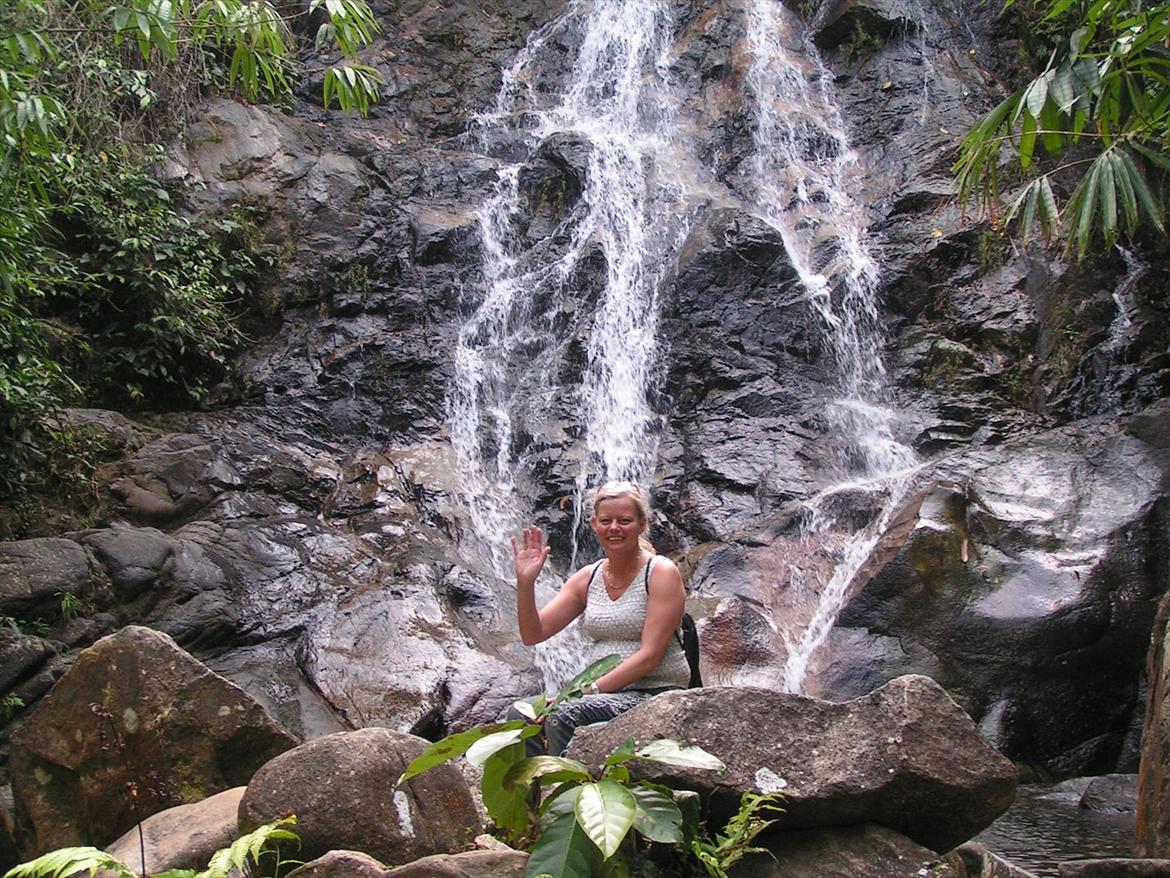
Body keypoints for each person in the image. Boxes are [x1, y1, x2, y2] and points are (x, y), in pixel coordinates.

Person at [510, 480, 690, 755]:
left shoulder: (660, 572)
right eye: (606, 520)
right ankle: (532, 794)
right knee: (520, 714)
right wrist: (525, 583)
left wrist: (585, 692)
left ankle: (567, 794)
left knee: (563, 714)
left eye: (625, 520)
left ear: (642, 524)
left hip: (654, 693)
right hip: (600, 695)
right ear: (593, 524)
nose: (614, 528)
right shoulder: (588, 578)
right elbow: (533, 634)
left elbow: (650, 655)